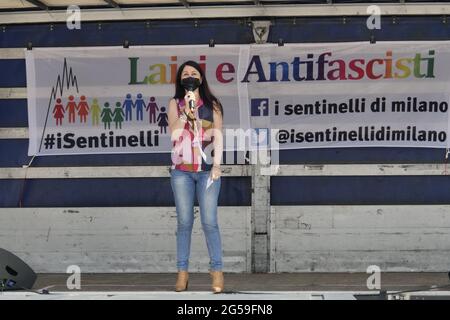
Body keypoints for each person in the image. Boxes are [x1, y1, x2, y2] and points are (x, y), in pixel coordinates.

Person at [168, 60, 224, 293]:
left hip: (207, 171)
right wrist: (186, 112)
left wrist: (218, 165)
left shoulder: (213, 105)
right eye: (185, 74)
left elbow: (218, 136)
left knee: (209, 222)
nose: (189, 76)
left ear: (201, 78)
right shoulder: (175, 103)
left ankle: (217, 272)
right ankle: (182, 273)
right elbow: (175, 133)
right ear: (180, 80)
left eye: (193, 73)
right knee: (184, 223)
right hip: (182, 171)